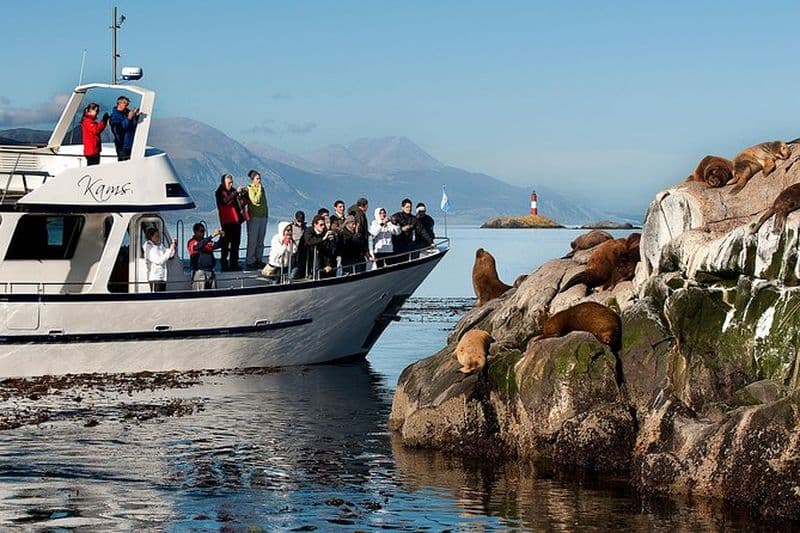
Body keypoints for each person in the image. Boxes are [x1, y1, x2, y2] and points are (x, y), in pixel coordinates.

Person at [215, 173, 247, 271]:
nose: (231, 184)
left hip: (236, 221)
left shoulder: (233, 191)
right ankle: (224, 265)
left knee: (236, 244)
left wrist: (243, 195)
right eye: (229, 182)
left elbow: (240, 205)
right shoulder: (219, 192)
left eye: (232, 182)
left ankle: (234, 264)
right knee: (225, 245)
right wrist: (235, 193)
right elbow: (224, 201)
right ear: (223, 182)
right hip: (226, 222)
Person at [187, 223, 223, 290]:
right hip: (199, 272)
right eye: (201, 231)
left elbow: (218, 245)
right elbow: (198, 246)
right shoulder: (192, 242)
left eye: (204, 231)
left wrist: (221, 236)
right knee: (200, 293)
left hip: (210, 271)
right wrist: (211, 236)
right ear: (195, 231)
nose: (203, 233)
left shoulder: (207, 242)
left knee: (213, 292)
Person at [245, 169, 269, 269]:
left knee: (260, 240)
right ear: (253, 180)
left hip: (263, 216)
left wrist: (266, 214)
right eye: (257, 179)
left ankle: (258, 258)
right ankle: (250, 260)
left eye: (260, 179)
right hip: (254, 217)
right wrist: (258, 189)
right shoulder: (250, 188)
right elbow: (255, 200)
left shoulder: (262, 189)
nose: (259, 181)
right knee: (253, 240)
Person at [143, 227, 175, 292]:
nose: (159, 238)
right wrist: (169, 251)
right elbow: (159, 261)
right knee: (156, 296)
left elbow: (170, 254)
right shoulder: (149, 247)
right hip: (155, 278)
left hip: (162, 277)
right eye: (157, 236)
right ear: (151, 237)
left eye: (159, 236)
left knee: (162, 295)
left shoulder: (160, 246)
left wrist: (173, 246)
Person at [109, 95, 140, 161]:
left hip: (129, 143)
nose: (126, 105)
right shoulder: (114, 116)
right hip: (122, 144)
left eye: (127, 104)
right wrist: (128, 118)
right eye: (125, 103)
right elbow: (118, 129)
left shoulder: (126, 113)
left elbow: (132, 126)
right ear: (119, 103)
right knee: (123, 163)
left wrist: (135, 116)